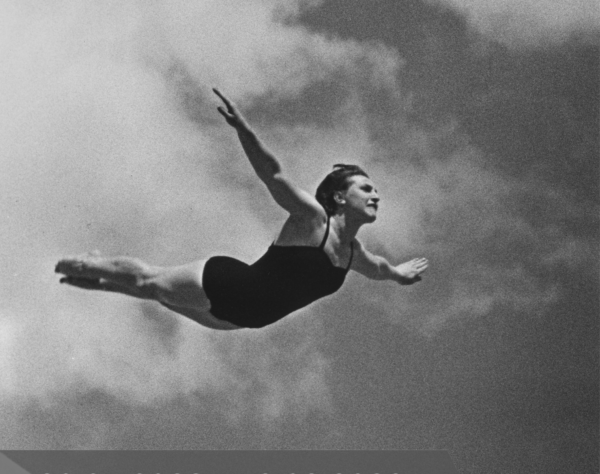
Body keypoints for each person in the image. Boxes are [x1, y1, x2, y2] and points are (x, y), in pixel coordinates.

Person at [55, 88, 428, 330]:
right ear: (340, 197)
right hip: (225, 285)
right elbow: (273, 175)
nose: (376, 196)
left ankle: (102, 282)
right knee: (149, 282)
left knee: (159, 297)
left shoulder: (353, 255)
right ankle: (87, 265)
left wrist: (400, 274)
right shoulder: (313, 219)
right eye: (366, 188)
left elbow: (380, 269)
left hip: (234, 321)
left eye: (375, 190)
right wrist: (244, 130)